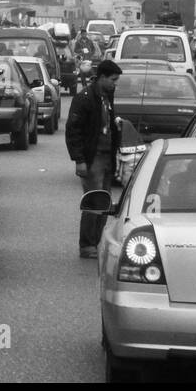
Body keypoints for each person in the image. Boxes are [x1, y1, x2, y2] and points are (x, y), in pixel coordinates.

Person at [66, 59, 122, 258]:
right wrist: (79, 159)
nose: (116, 84)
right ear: (103, 77)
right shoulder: (85, 98)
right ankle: (87, 245)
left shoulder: (107, 95)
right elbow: (73, 131)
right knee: (93, 203)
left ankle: (97, 243)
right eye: (113, 80)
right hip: (93, 159)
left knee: (104, 203)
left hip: (107, 158)